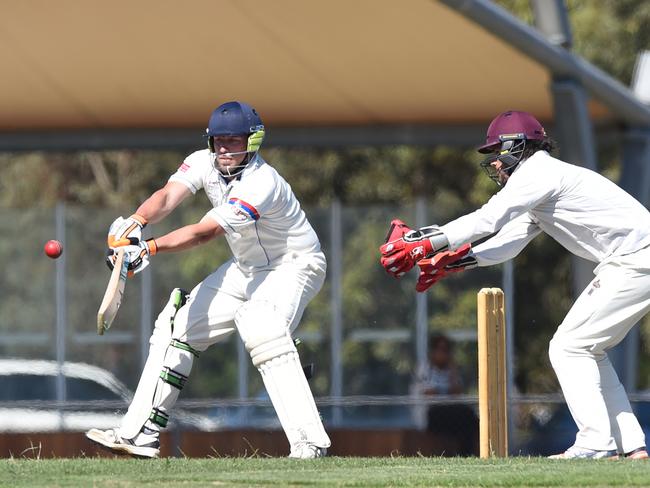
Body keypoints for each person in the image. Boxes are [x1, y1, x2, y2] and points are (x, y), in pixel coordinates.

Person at [380, 110, 650, 460]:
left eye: (496, 153)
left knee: (568, 348)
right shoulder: (542, 181)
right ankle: (630, 446)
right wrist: (461, 259)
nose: (494, 164)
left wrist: (424, 242)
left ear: (516, 147)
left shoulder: (538, 171)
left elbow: (488, 218)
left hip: (635, 259)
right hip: (633, 260)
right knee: (587, 349)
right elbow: (510, 239)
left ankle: (596, 443)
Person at [86, 101, 330, 459]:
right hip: (246, 268)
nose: (225, 149)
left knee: (261, 324)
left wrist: (149, 249)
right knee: (175, 327)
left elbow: (206, 232)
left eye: (234, 141)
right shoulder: (203, 161)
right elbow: (168, 196)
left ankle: (310, 442)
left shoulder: (262, 182)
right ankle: (140, 434)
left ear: (253, 141)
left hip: (294, 265)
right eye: (219, 141)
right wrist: (135, 222)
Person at [411, 333, 478, 455]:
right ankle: (458, 454)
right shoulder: (426, 368)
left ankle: (466, 454)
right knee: (463, 416)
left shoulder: (451, 370)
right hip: (430, 414)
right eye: (440, 349)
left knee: (469, 417)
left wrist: (452, 371)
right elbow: (431, 395)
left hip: (450, 411)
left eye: (447, 350)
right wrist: (446, 392)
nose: (444, 354)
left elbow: (457, 394)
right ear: (433, 351)